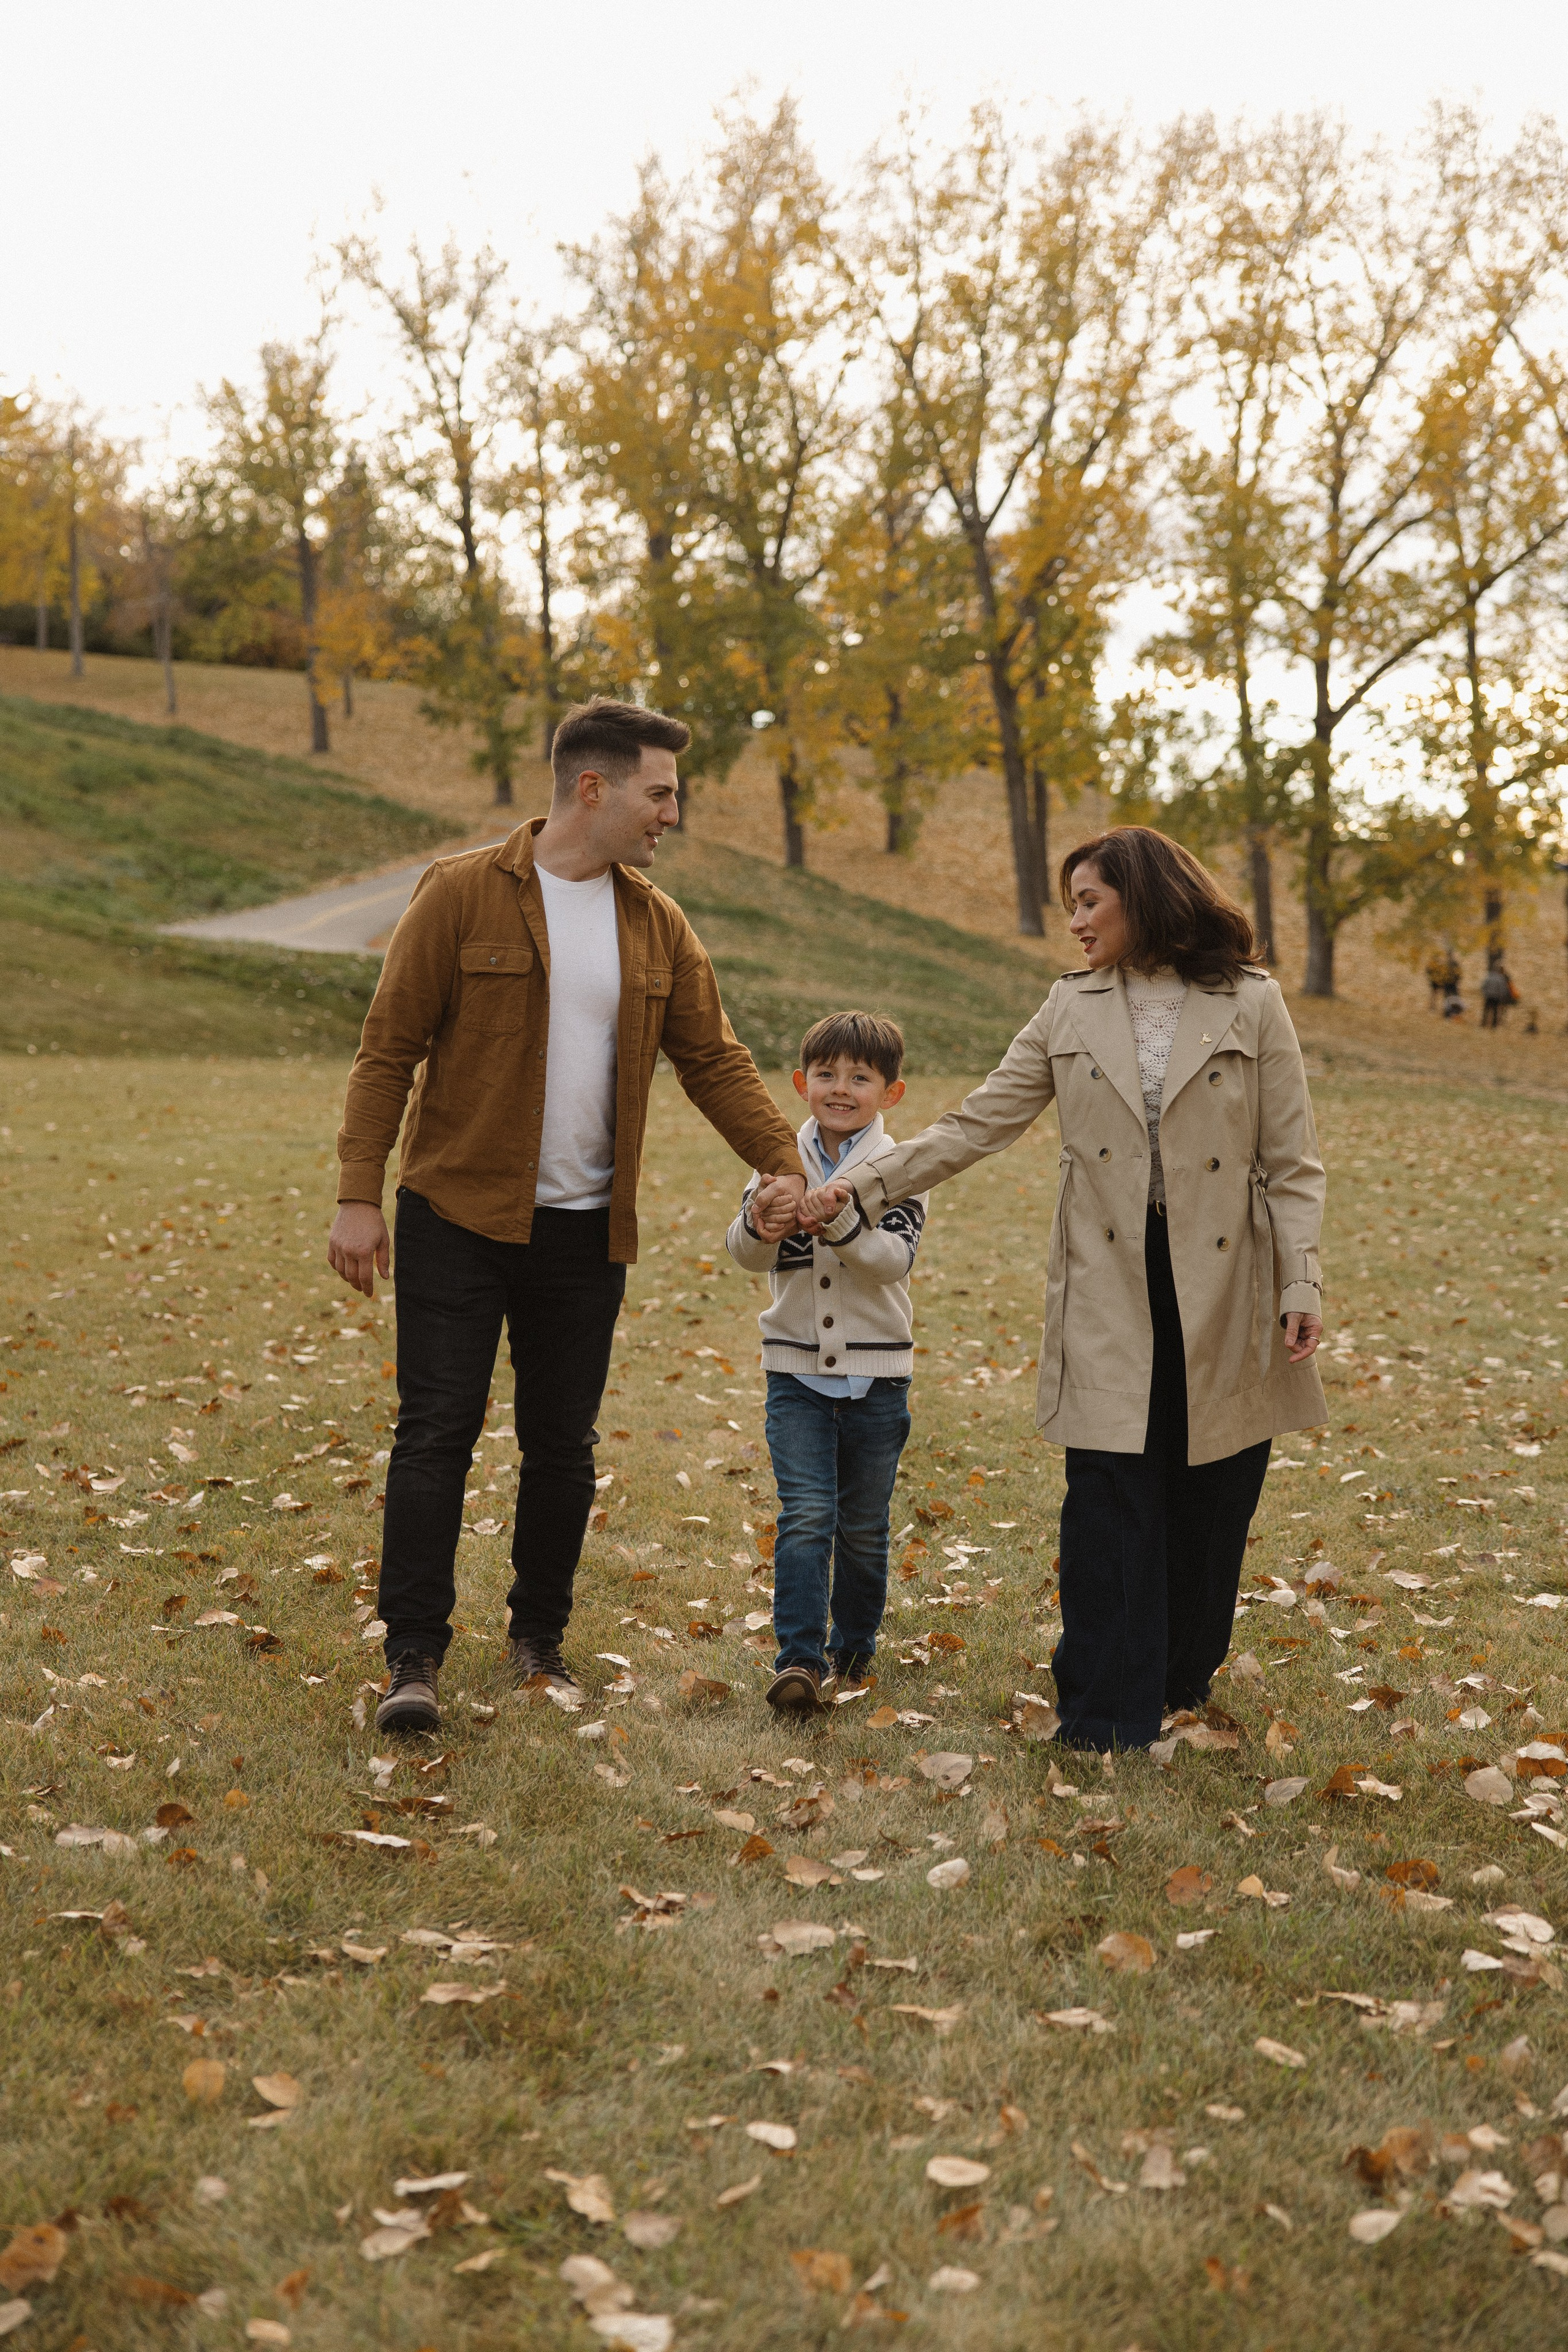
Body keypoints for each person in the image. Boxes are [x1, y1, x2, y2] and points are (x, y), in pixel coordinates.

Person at [326, 698, 809, 1735]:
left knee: (562, 1447)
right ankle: (413, 1657)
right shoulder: (458, 896)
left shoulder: (656, 923)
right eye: (661, 791)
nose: (671, 813)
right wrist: (358, 1195)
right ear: (594, 788)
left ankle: (538, 1641)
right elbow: (386, 1050)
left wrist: (787, 1161)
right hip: (455, 1213)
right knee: (436, 1435)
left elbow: (714, 1060)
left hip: (587, 1233)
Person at [795, 827, 1327, 1754]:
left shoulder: (1252, 1002)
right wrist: (863, 1186)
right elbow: (978, 1122)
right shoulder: (1067, 1008)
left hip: (1228, 1279)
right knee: (1109, 1489)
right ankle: (1101, 1715)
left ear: (1144, 896)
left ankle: (1177, 1674)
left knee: (1214, 1494)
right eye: (1072, 902)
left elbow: (1291, 1161)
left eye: (1089, 901)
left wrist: (1301, 1279)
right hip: (1109, 1279)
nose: (1074, 921)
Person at [728, 1013, 927, 1714]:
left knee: (864, 1526)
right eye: (826, 1074)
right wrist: (761, 1219)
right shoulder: (776, 1159)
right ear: (800, 1082)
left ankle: (854, 1646)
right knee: (807, 1514)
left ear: (890, 1092)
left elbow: (888, 1262)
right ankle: (800, 1661)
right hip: (796, 1376)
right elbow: (745, 1253)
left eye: (860, 1078)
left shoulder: (901, 1169)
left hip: (878, 1380)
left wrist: (840, 1221)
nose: (841, 1089)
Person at [1480, 961, 1514, 1029]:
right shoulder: (1501, 978)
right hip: (1496, 997)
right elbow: (1502, 989)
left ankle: (1484, 1023)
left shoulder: (1489, 976)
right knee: (1495, 1011)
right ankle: (1494, 1025)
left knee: (1486, 1010)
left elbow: (1483, 986)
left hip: (1489, 996)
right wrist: (1502, 996)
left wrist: (1485, 993)